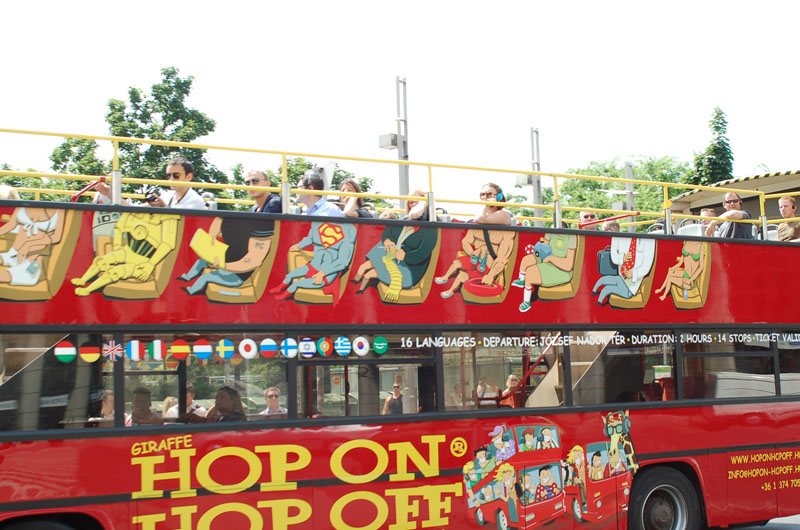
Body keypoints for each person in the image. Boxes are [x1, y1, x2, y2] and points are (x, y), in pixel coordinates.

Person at [352, 201, 438, 298]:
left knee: (369, 273)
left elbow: (422, 253)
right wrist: (387, 240)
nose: (414, 205)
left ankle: (358, 289)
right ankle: (355, 281)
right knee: (368, 262)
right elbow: (389, 230)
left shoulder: (430, 227)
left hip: (409, 269)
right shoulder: (405, 220)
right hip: (395, 259)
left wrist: (405, 256)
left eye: (417, 202)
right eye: (411, 202)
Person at [178, 216, 275, 295]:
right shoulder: (237, 225)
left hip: (237, 276)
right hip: (228, 262)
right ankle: (187, 277)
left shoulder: (260, 228)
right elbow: (218, 220)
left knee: (205, 277)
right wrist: (211, 239)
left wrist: (222, 266)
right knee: (202, 261)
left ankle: (191, 290)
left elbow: (253, 262)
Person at [93, 157, 207, 209]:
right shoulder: (168, 195)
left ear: (188, 177)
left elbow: (181, 227)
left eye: (176, 176)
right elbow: (134, 209)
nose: (171, 179)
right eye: (168, 176)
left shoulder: (195, 201)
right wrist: (108, 193)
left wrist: (164, 207)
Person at [0, 207, 65, 286]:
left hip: (32, 262)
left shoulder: (60, 210)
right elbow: (10, 225)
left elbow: (56, 237)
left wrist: (28, 244)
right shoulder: (23, 204)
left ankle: (29, 274)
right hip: (13, 254)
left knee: (4, 276)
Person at [591, 236, 656, 304]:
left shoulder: (648, 241)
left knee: (607, 289)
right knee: (603, 280)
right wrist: (622, 258)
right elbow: (614, 256)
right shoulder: (617, 237)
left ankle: (599, 301)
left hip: (630, 288)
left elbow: (647, 265)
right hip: (622, 278)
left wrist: (633, 274)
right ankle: (594, 292)